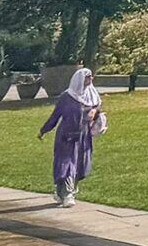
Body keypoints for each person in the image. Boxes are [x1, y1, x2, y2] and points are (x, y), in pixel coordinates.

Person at [37, 68, 105, 206]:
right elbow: (55, 116)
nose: (90, 79)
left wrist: (94, 112)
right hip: (67, 136)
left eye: (91, 76)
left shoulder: (92, 95)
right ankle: (67, 194)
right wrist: (44, 130)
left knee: (80, 164)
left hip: (84, 136)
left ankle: (65, 192)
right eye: (87, 77)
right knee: (67, 164)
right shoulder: (67, 97)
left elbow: (97, 109)